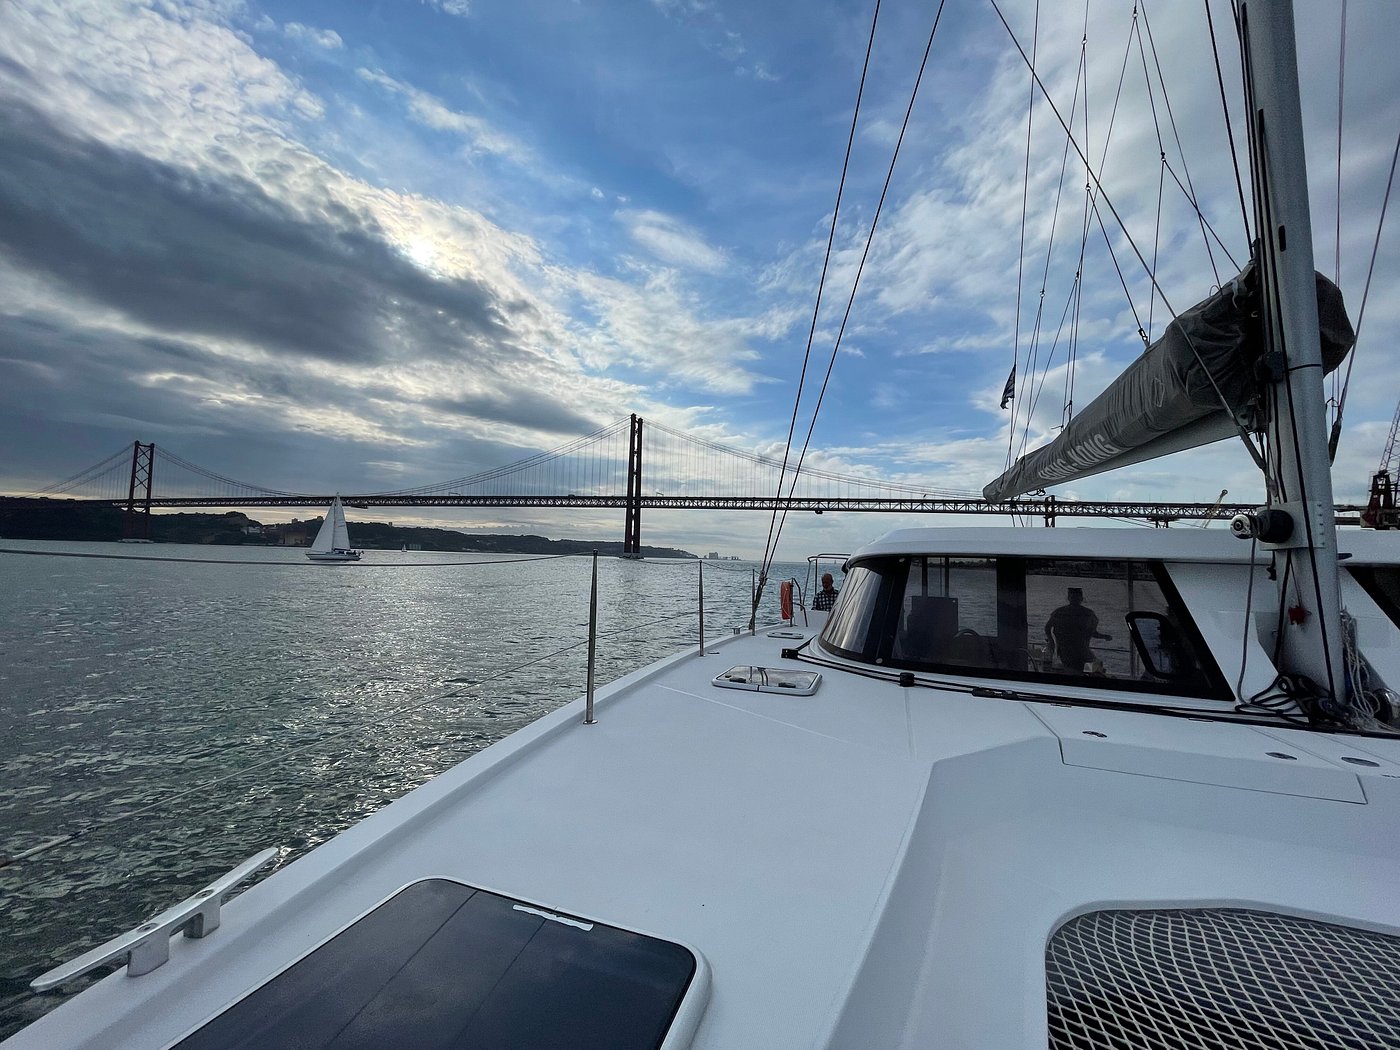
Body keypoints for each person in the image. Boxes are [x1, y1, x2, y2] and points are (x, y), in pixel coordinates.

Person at [1045, 587, 1111, 672]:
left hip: (1079, 652)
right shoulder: (1060, 613)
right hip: (1070, 654)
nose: (1074, 600)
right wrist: (1051, 641)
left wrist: (1105, 636)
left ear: (1081, 599)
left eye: (1076, 598)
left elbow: (1093, 632)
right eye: (1073, 598)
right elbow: (1047, 627)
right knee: (1096, 669)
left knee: (1097, 668)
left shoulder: (1088, 614)